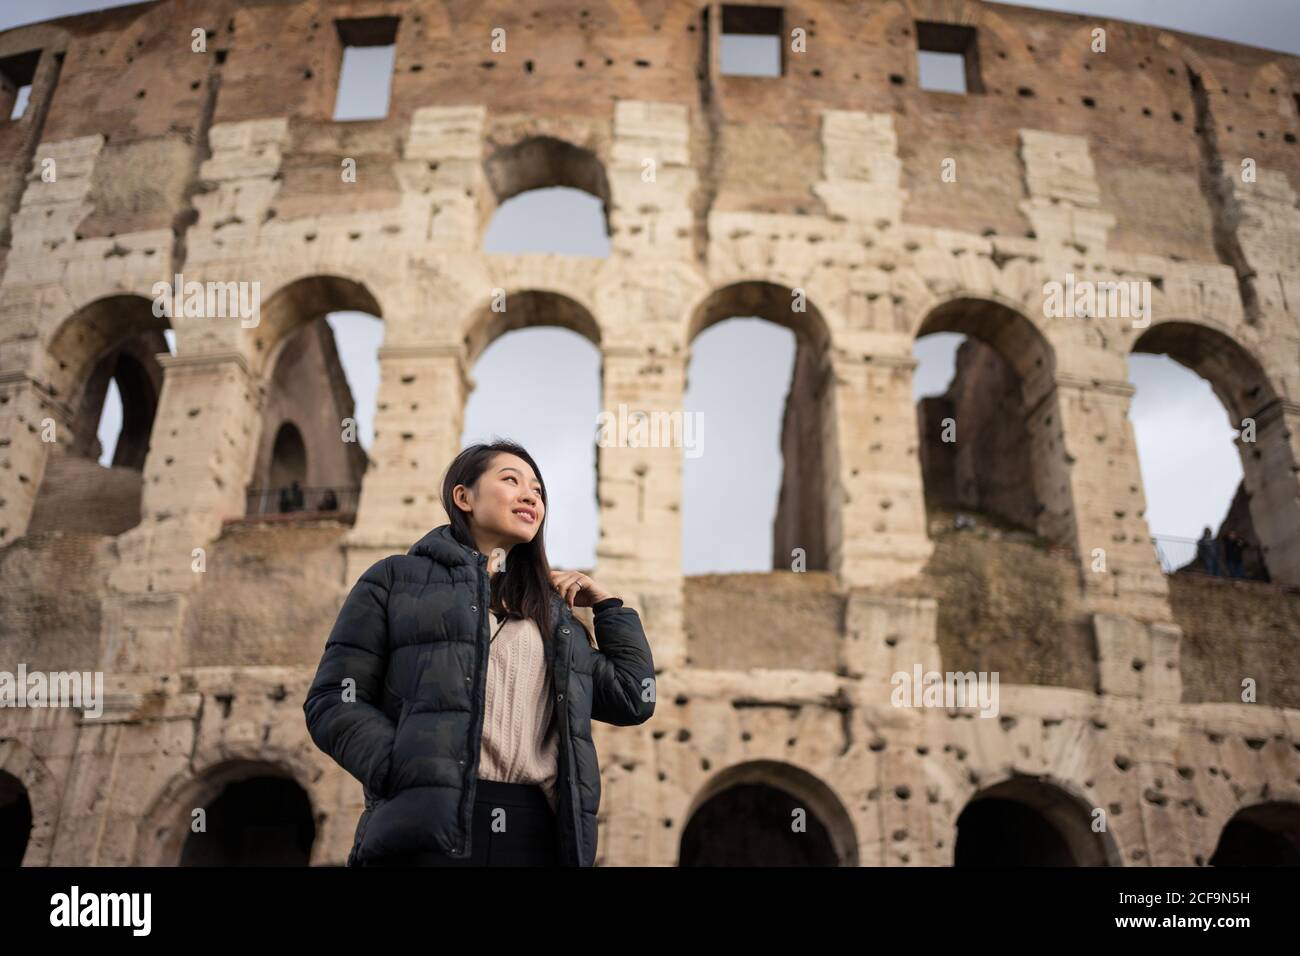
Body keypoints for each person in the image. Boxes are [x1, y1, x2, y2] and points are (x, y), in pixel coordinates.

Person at [303, 440, 656, 867]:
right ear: (463, 496)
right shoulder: (394, 579)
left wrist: (609, 608)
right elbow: (334, 699)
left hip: (536, 831)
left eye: (538, 490)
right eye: (511, 480)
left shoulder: (554, 615)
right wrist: (400, 766)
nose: (531, 495)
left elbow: (635, 698)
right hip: (427, 818)